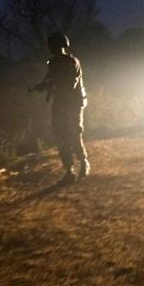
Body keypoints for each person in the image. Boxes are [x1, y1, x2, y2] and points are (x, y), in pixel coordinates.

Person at [31, 32, 90, 183]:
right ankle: (69, 170)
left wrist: (51, 86)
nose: (50, 47)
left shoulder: (71, 62)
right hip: (61, 102)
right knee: (60, 134)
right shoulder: (54, 63)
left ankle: (83, 162)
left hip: (72, 102)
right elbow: (51, 80)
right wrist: (40, 87)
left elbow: (70, 83)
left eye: (52, 44)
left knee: (74, 133)